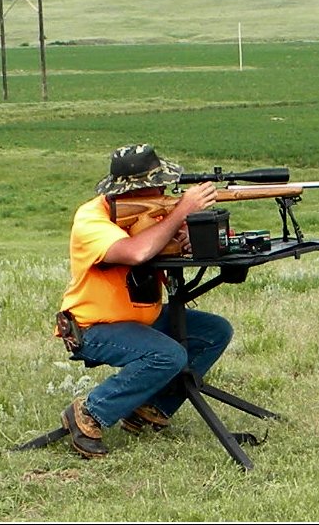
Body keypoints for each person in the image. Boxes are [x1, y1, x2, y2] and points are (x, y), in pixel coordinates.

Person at [55, 143, 234, 458]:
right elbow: (137, 252)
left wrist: (188, 235)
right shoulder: (91, 218)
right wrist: (181, 211)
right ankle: (89, 412)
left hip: (142, 316)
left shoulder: (151, 212)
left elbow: (170, 237)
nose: (163, 191)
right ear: (133, 191)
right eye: (158, 186)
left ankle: (149, 407)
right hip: (93, 326)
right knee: (168, 355)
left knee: (215, 332)